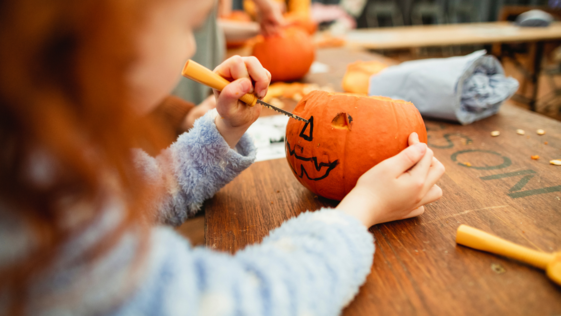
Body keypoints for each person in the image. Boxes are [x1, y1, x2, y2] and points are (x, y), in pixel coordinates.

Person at [0, 0, 444, 315]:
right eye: (189, 26)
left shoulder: (46, 156)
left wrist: (223, 130)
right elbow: (244, 302)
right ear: (108, 38)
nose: (194, 49)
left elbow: (144, 192)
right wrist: (358, 213)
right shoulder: (46, 217)